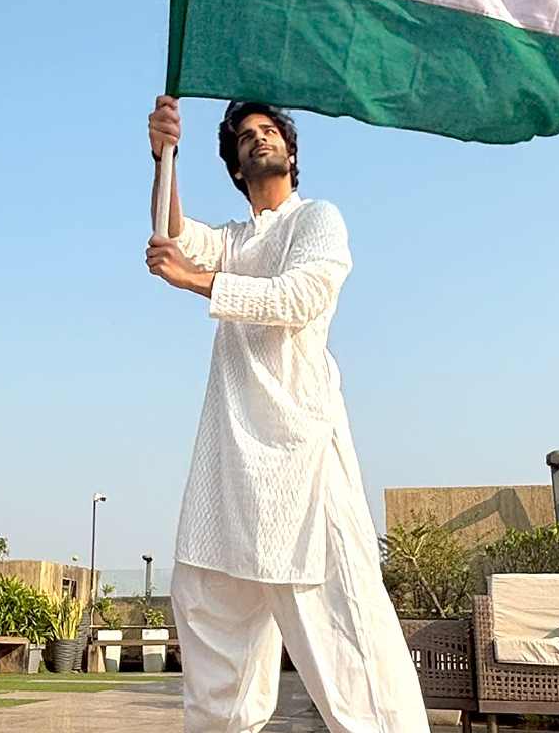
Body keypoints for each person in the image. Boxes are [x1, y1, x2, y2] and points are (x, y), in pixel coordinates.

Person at [146, 95, 429, 733]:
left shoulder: (317, 220)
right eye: (246, 134)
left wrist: (198, 282)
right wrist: (165, 155)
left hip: (302, 458)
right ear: (235, 166)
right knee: (209, 623)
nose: (259, 137)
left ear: (291, 153)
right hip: (227, 465)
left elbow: (299, 297)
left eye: (270, 129)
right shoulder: (235, 240)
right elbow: (174, 235)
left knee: (349, 644)